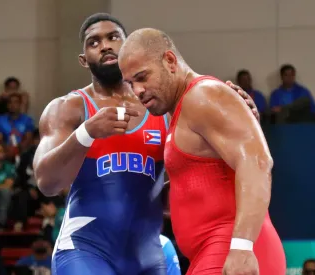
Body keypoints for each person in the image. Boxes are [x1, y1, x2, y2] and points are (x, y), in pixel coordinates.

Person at [33, 13, 259, 275]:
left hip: (147, 255)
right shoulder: (67, 109)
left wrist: (242, 122)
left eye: (113, 37)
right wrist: (86, 133)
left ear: (129, 46)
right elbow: (47, 183)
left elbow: (180, 190)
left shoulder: (163, 109)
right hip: (85, 251)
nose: (105, 45)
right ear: (84, 60)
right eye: (94, 42)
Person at [118, 28, 286, 275]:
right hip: (213, 251)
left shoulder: (204, 95)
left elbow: (257, 162)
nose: (138, 91)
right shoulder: (182, 110)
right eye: (130, 83)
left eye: (142, 77)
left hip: (230, 248)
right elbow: (200, 186)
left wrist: (241, 247)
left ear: (170, 61)